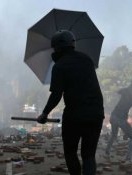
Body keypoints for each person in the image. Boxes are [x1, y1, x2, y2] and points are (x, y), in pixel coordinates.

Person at [37, 30, 104, 175]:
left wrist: (44, 114)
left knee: (70, 152)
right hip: (96, 114)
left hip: (75, 115)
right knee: (88, 156)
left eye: (54, 48)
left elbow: (56, 95)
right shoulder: (87, 60)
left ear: (58, 47)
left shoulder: (60, 66)